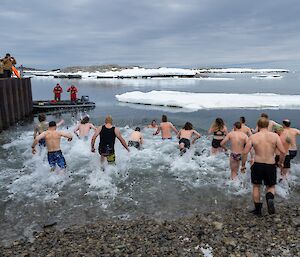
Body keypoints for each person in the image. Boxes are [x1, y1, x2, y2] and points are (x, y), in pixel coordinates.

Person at [242, 117, 285, 215]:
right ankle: (269, 197)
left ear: (258, 125)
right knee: (271, 186)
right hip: (270, 164)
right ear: (267, 125)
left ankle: (258, 210)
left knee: (256, 186)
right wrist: (280, 162)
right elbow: (282, 151)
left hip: (257, 164)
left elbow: (245, 153)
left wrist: (243, 165)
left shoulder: (253, 137)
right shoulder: (275, 136)